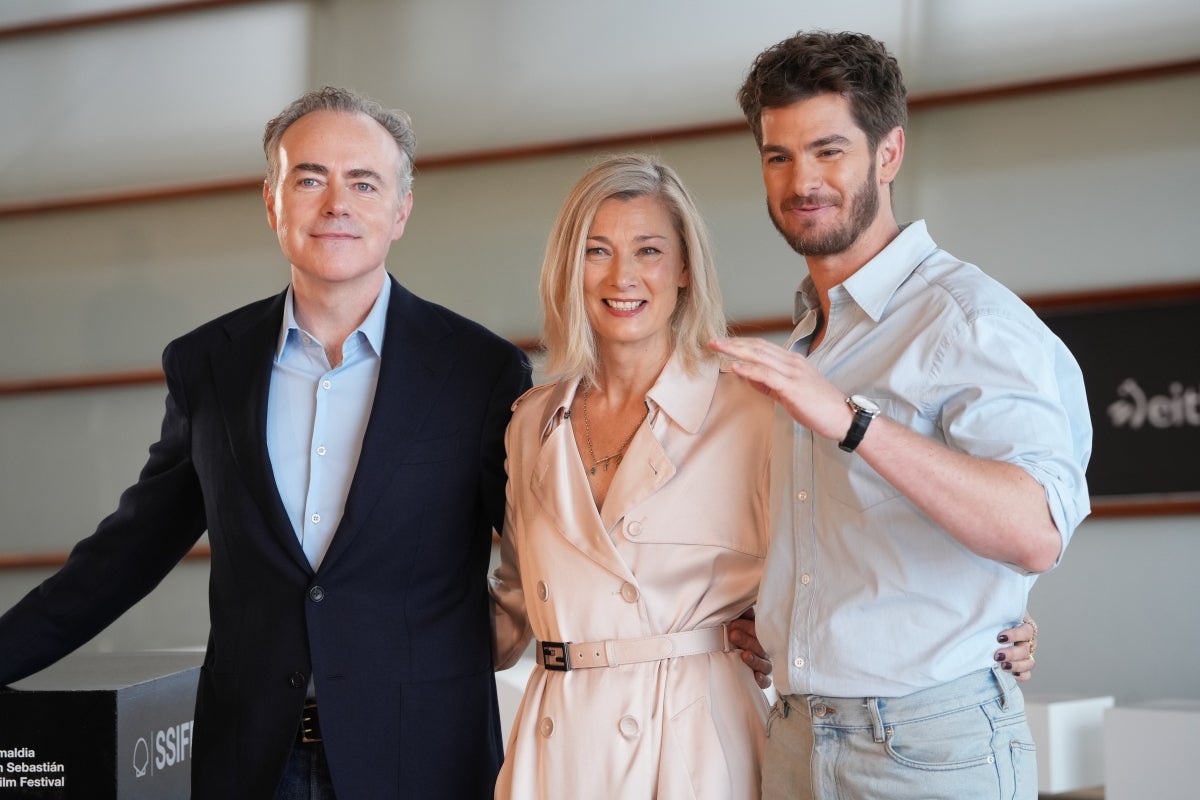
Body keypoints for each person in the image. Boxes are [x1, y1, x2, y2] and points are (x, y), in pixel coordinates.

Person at [0, 87, 531, 799]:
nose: (336, 204)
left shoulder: (479, 370)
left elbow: (544, 548)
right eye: (309, 178)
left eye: (363, 182)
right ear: (272, 200)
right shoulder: (209, 366)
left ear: (400, 209)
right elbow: (125, 557)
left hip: (422, 759)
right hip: (251, 762)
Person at [488, 154, 1039, 799]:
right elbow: (514, 597)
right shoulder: (531, 422)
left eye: (648, 250)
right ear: (568, 266)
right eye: (597, 251)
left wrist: (991, 627)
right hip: (558, 746)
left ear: (686, 267)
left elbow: (853, 549)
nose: (623, 277)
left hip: (695, 742)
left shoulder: (754, 409)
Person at [709, 31, 1092, 799]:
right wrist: (774, 615)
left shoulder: (968, 319)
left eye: (828, 151)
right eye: (777, 156)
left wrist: (851, 420)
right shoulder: (808, 336)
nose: (800, 181)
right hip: (793, 735)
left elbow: (1035, 531)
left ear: (888, 155)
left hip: (925, 747)